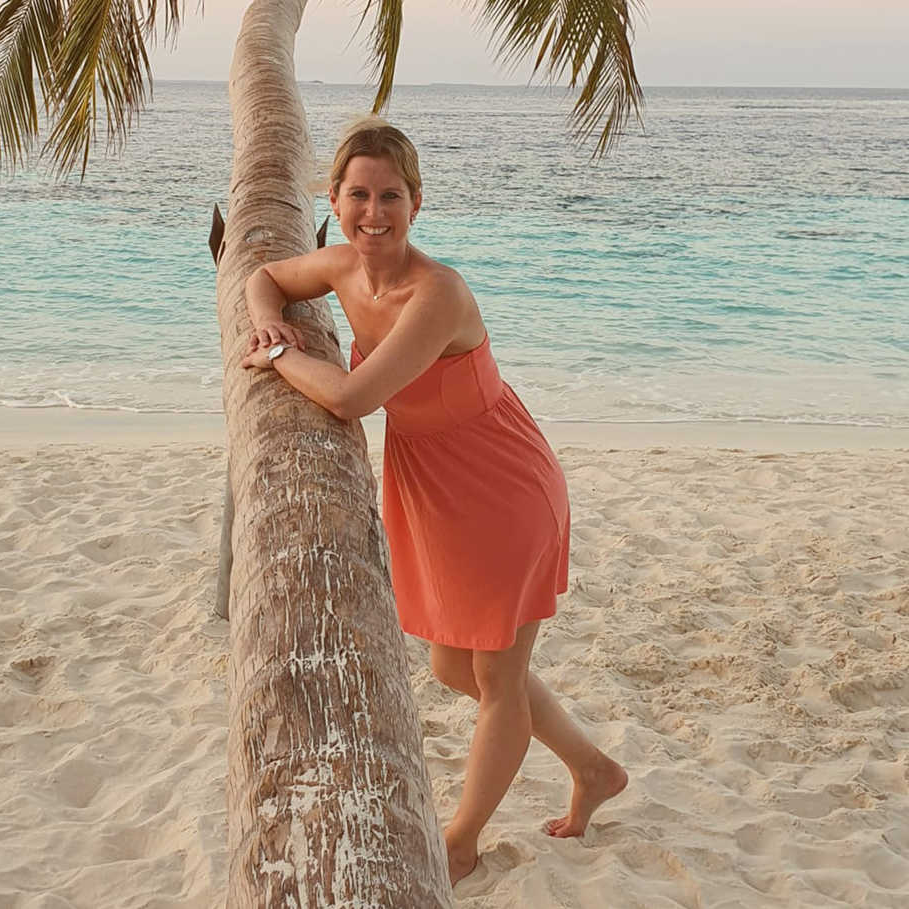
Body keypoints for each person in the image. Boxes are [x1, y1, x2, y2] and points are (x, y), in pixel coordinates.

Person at [240, 117, 628, 887]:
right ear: (335, 197)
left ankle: (461, 838)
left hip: (502, 490)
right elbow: (266, 278)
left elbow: (352, 397)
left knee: (500, 683)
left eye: (390, 195)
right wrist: (266, 317)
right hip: (434, 490)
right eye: (358, 195)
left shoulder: (436, 291)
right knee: (461, 668)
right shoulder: (345, 267)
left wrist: (279, 353)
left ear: (417, 202)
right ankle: (592, 765)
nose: (372, 213)